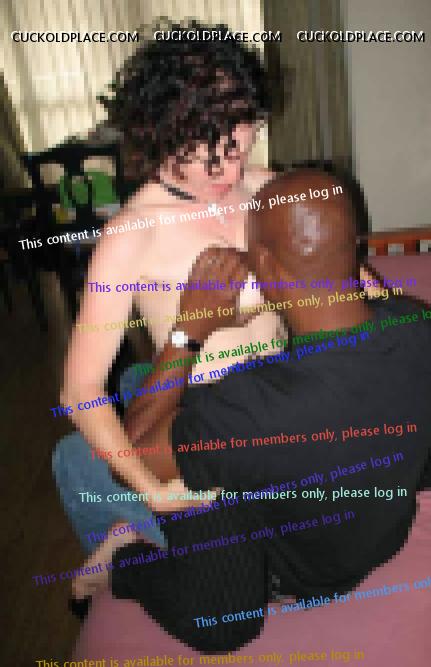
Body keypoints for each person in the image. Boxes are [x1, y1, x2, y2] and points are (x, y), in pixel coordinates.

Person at [62, 168, 431, 653]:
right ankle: (148, 387)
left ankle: (120, 562)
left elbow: (135, 454)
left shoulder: (247, 411)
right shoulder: (421, 324)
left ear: (265, 270)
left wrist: (188, 332)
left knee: (223, 626)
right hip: (352, 486)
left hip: (284, 547)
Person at [52, 19, 283, 596]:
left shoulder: (267, 188)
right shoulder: (133, 232)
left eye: (239, 146)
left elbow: (343, 280)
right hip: (201, 424)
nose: (229, 174)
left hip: (280, 400)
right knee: (232, 594)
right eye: (205, 158)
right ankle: (126, 533)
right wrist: (150, 490)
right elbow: (79, 391)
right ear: (159, 134)